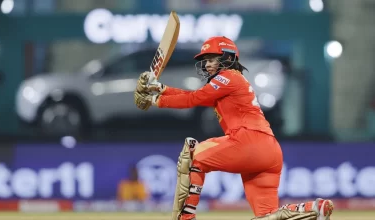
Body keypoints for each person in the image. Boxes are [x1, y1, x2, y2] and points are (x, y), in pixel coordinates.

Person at [134, 36, 333, 220]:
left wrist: (154, 100)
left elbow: (194, 98)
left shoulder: (229, 76)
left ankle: (185, 217)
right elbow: (195, 95)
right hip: (269, 151)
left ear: (228, 58)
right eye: (206, 60)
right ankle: (315, 208)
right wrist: (160, 89)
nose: (208, 64)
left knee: (194, 157)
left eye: (213, 59)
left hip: (249, 141)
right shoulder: (229, 82)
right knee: (267, 216)